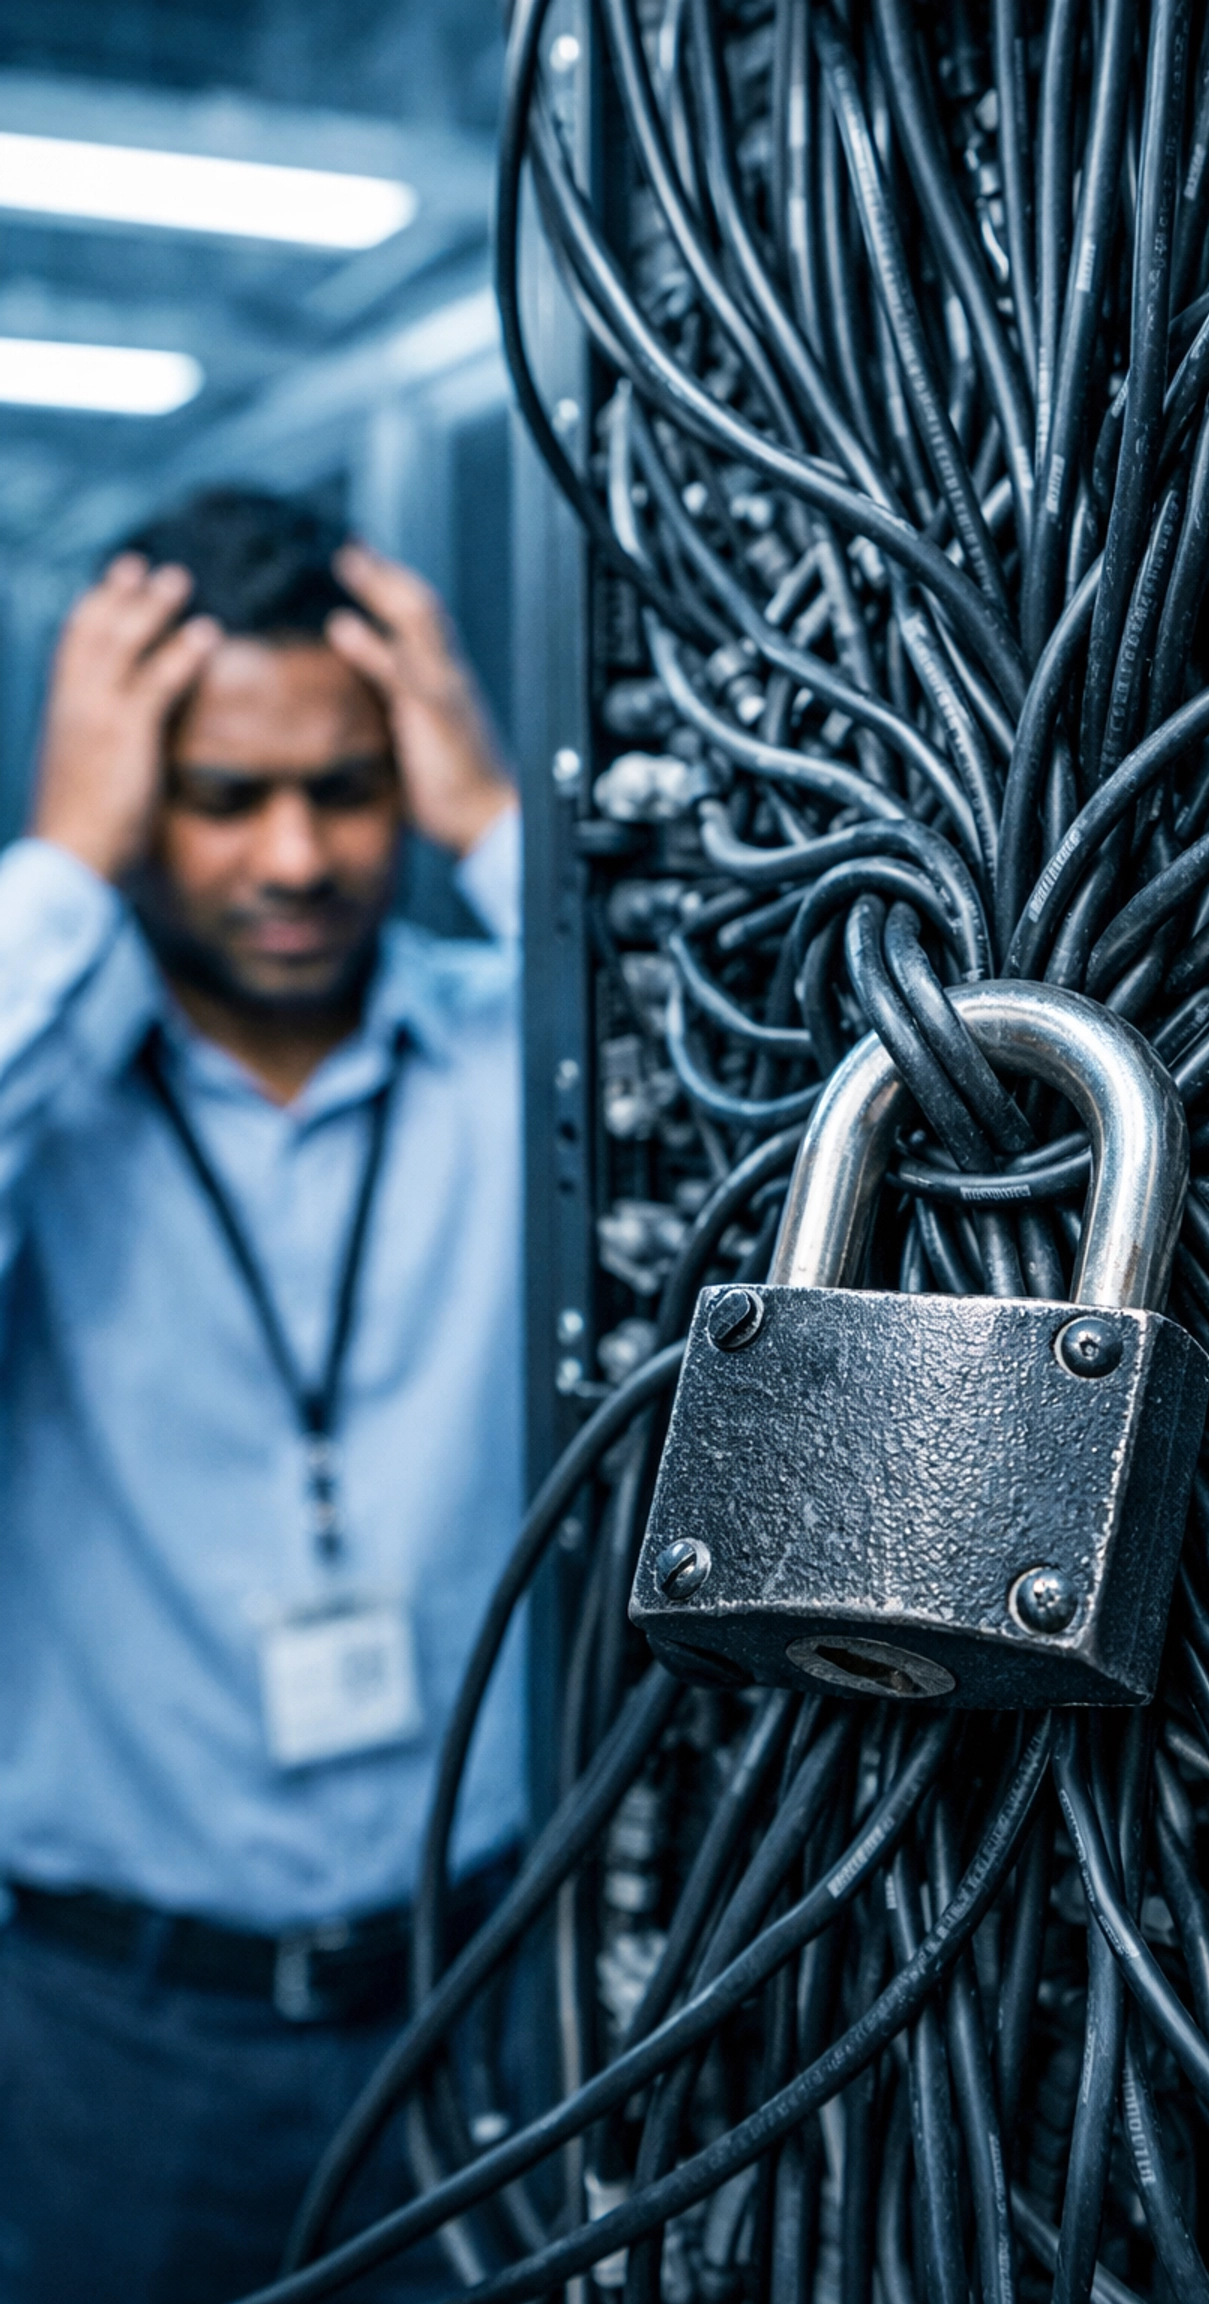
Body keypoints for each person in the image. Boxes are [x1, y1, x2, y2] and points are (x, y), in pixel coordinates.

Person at [0, 487, 527, 2300]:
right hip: (110, 2035)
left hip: (479, 2005)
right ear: (138, 793)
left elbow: (754, 1095)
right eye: (223, 798)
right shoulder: (46, 1092)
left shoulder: (504, 1053)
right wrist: (61, 866)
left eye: (351, 787)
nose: (295, 857)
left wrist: (505, 820)